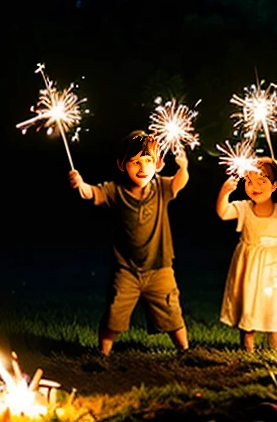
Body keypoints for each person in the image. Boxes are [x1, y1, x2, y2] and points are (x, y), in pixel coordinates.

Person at [68, 130, 190, 356]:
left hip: (160, 267)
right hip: (126, 270)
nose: (143, 168)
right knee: (115, 313)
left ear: (159, 163)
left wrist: (183, 167)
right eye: (135, 162)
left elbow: (179, 183)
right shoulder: (115, 191)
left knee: (171, 311)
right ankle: (103, 354)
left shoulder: (162, 188)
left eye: (148, 161)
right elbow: (91, 193)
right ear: (122, 164)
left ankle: (185, 351)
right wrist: (81, 184)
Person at [216, 157, 277, 352]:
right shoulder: (244, 208)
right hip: (249, 268)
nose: (254, 187)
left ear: (274, 186)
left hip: (274, 270)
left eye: (261, 182)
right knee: (248, 308)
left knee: (274, 311)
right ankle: (248, 350)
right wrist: (225, 193)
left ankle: (273, 350)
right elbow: (223, 212)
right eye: (249, 181)